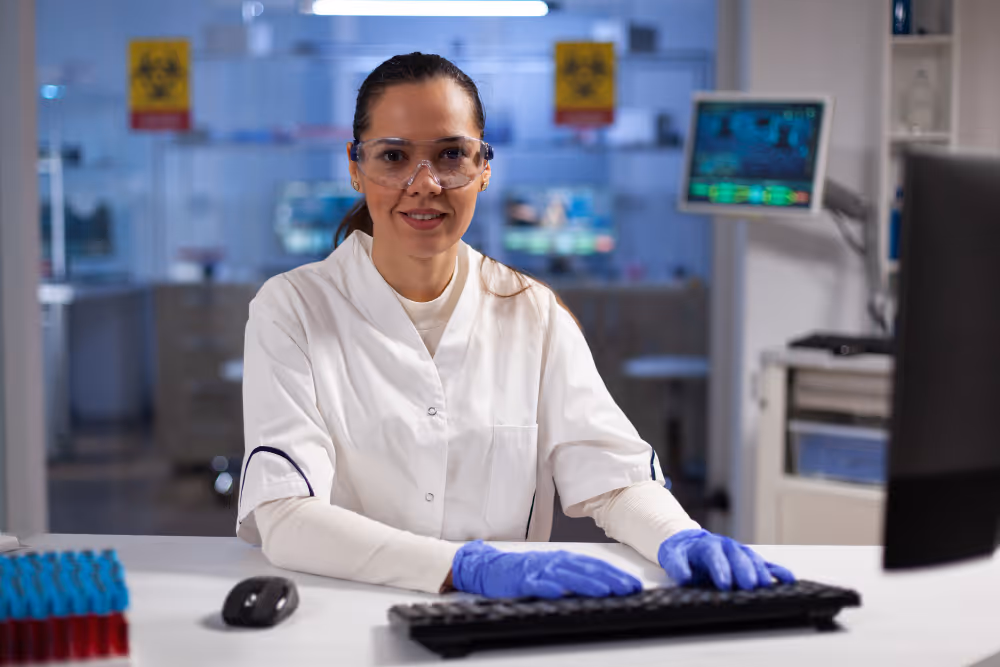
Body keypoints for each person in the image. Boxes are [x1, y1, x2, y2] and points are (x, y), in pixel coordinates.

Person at [236, 52, 794, 599]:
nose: (425, 183)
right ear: (356, 168)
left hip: (497, 622)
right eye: (394, 156)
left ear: (483, 170)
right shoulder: (292, 309)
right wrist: (462, 566)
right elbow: (284, 515)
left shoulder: (532, 312)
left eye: (451, 154)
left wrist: (680, 537)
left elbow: (613, 476)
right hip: (343, 617)